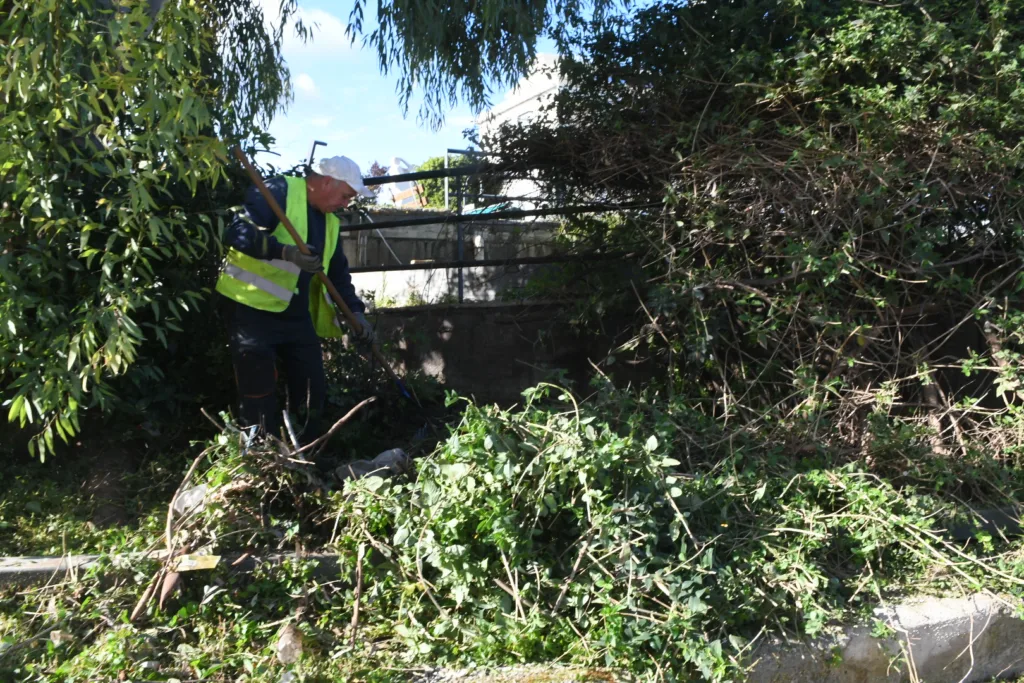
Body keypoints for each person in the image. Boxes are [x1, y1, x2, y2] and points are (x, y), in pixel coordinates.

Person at [215, 156, 375, 442]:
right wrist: (285, 252)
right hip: (250, 309)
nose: (346, 203)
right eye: (346, 195)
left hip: (294, 314)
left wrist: (356, 312)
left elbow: (337, 274)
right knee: (258, 390)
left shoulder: (330, 224)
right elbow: (236, 232)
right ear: (327, 182)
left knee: (312, 387)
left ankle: (309, 453)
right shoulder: (277, 191)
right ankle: (261, 459)